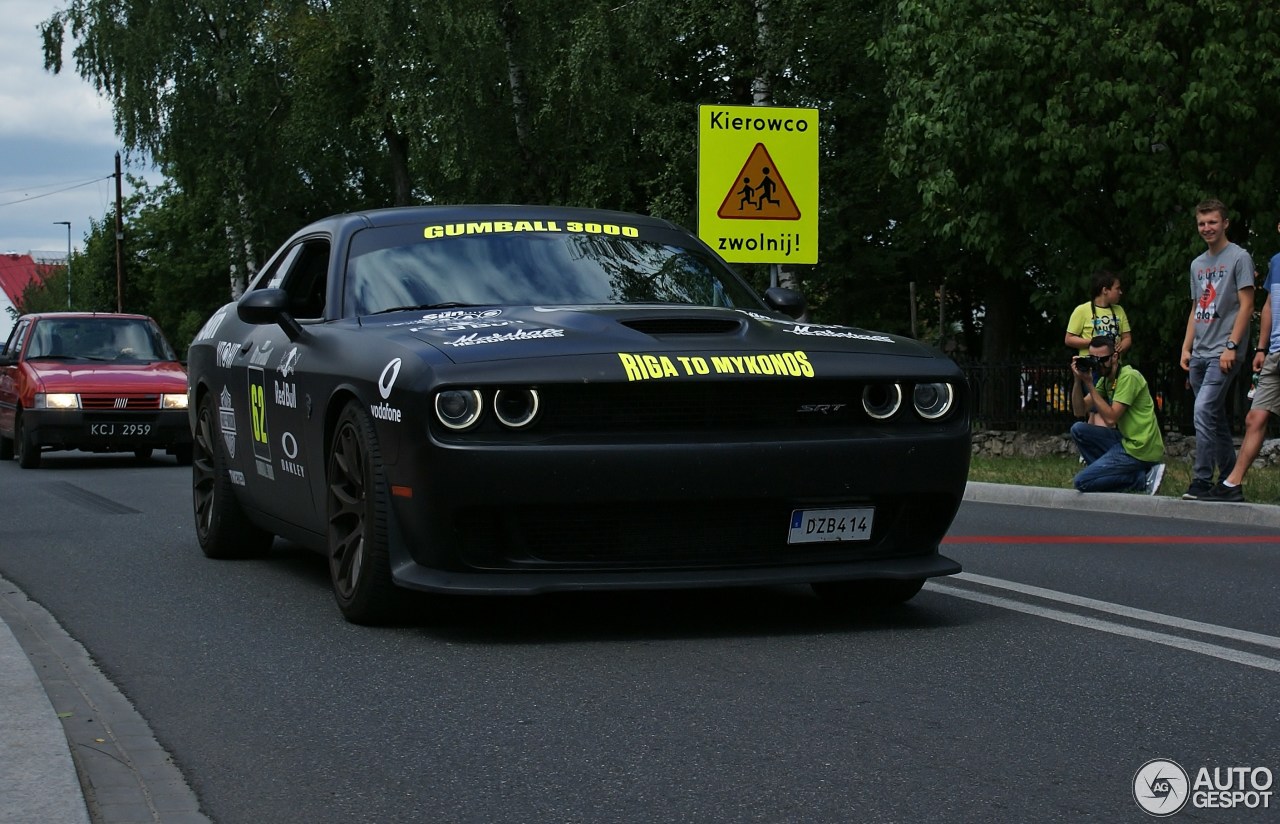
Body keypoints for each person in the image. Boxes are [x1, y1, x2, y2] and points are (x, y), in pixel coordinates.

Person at [1180, 198, 1255, 499]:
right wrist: (1186, 348)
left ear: (1225, 223)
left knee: (1202, 411)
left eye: (1212, 222)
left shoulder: (1239, 257)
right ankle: (1228, 481)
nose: (1207, 228)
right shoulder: (1197, 264)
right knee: (1213, 416)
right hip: (1199, 351)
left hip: (1223, 352)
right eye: (1202, 223)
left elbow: (1247, 305)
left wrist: (1231, 346)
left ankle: (1200, 479)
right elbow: (1197, 307)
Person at [1204, 221, 1280, 502]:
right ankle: (1232, 484)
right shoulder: (1276, 262)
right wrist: (1261, 348)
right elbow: (1270, 305)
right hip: (1275, 352)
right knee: (1254, 417)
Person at [1069, 335, 1165, 494]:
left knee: (1082, 482)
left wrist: (1089, 384)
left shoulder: (1128, 377)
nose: (1097, 365)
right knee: (1078, 429)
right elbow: (1079, 410)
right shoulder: (1106, 380)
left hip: (1140, 448)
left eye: (1102, 359)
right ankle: (1114, 473)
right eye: (1093, 359)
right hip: (1126, 441)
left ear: (1115, 357)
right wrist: (1078, 381)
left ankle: (1141, 479)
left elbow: (1111, 418)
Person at [1065, 269, 1132, 356]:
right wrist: (1095, 343)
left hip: (1114, 365)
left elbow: (1127, 338)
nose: (1120, 292)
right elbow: (1069, 339)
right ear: (1105, 290)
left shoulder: (1119, 310)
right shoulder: (1082, 310)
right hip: (1090, 366)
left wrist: (1122, 346)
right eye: (1117, 288)